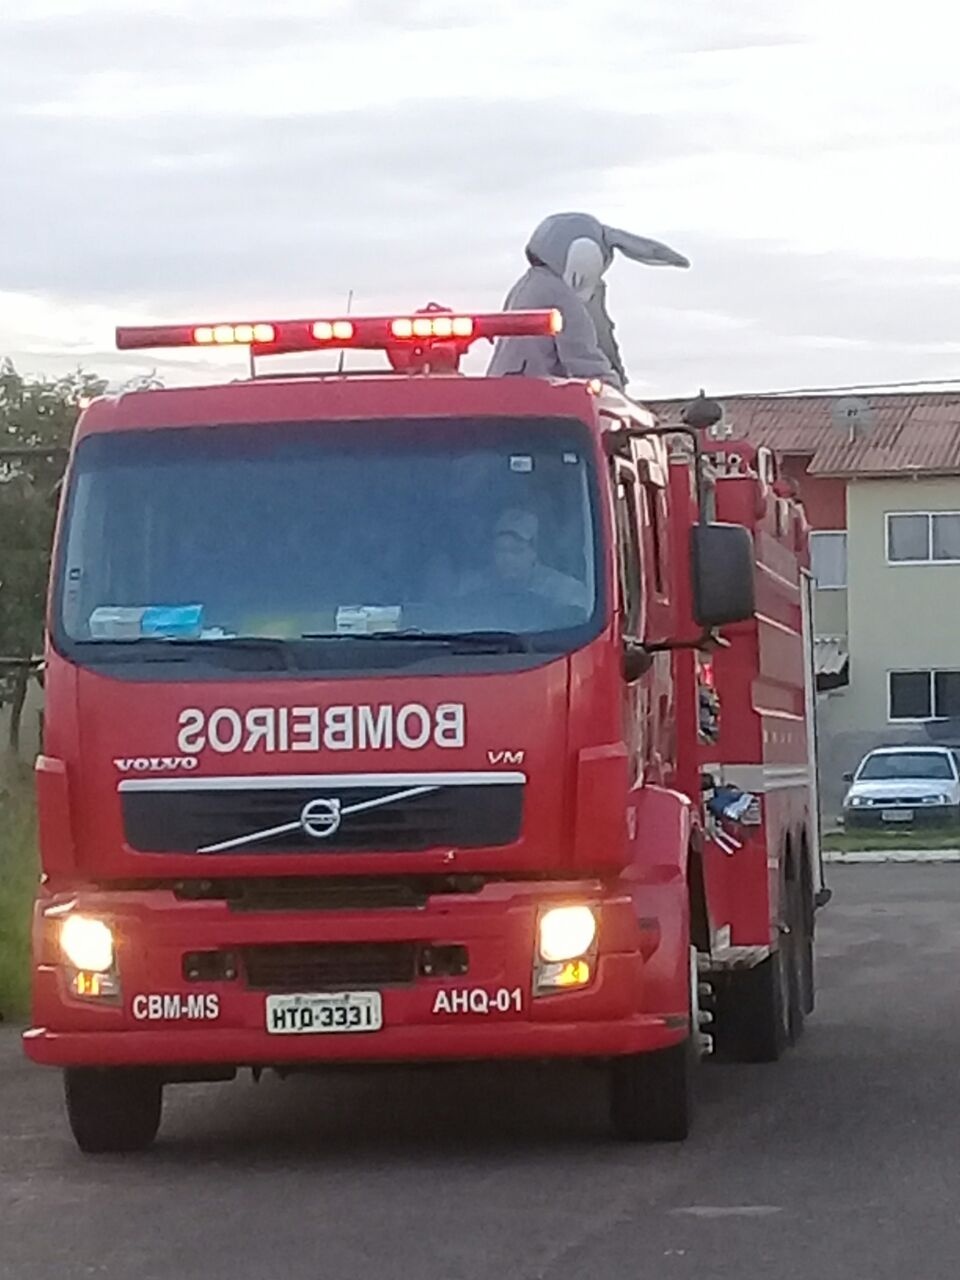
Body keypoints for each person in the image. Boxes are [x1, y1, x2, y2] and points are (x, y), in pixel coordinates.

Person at [486, 211, 689, 389]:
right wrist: (613, 386)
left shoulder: (525, 287)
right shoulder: (560, 295)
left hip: (503, 390)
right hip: (543, 401)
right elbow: (583, 358)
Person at [459, 508, 589, 615]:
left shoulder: (565, 591)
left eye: (517, 551)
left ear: (534, 553)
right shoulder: (471, 586)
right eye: (500, 550)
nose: (507, 559)